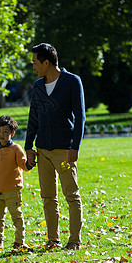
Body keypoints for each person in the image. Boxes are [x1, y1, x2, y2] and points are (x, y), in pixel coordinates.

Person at [25, 43, 86, 250]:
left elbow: (80, 117)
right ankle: (53, 239)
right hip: (42, 150)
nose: (34, 66)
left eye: (35, 62)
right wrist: (28, 147)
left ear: (46, 62)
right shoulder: (38, 86)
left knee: (71, 195)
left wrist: (75, 147)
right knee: (48, 197)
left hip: (64, 151)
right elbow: (33, 118)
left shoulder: (71, 82)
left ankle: (74, 240)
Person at [0, 115, 33, 250]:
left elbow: (23, 165)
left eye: (6, 132)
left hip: (12, 189)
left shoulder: (16, 149)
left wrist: (30, 163)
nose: (2, 135)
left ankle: (19, 241)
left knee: (16, 216)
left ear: (12, 133)